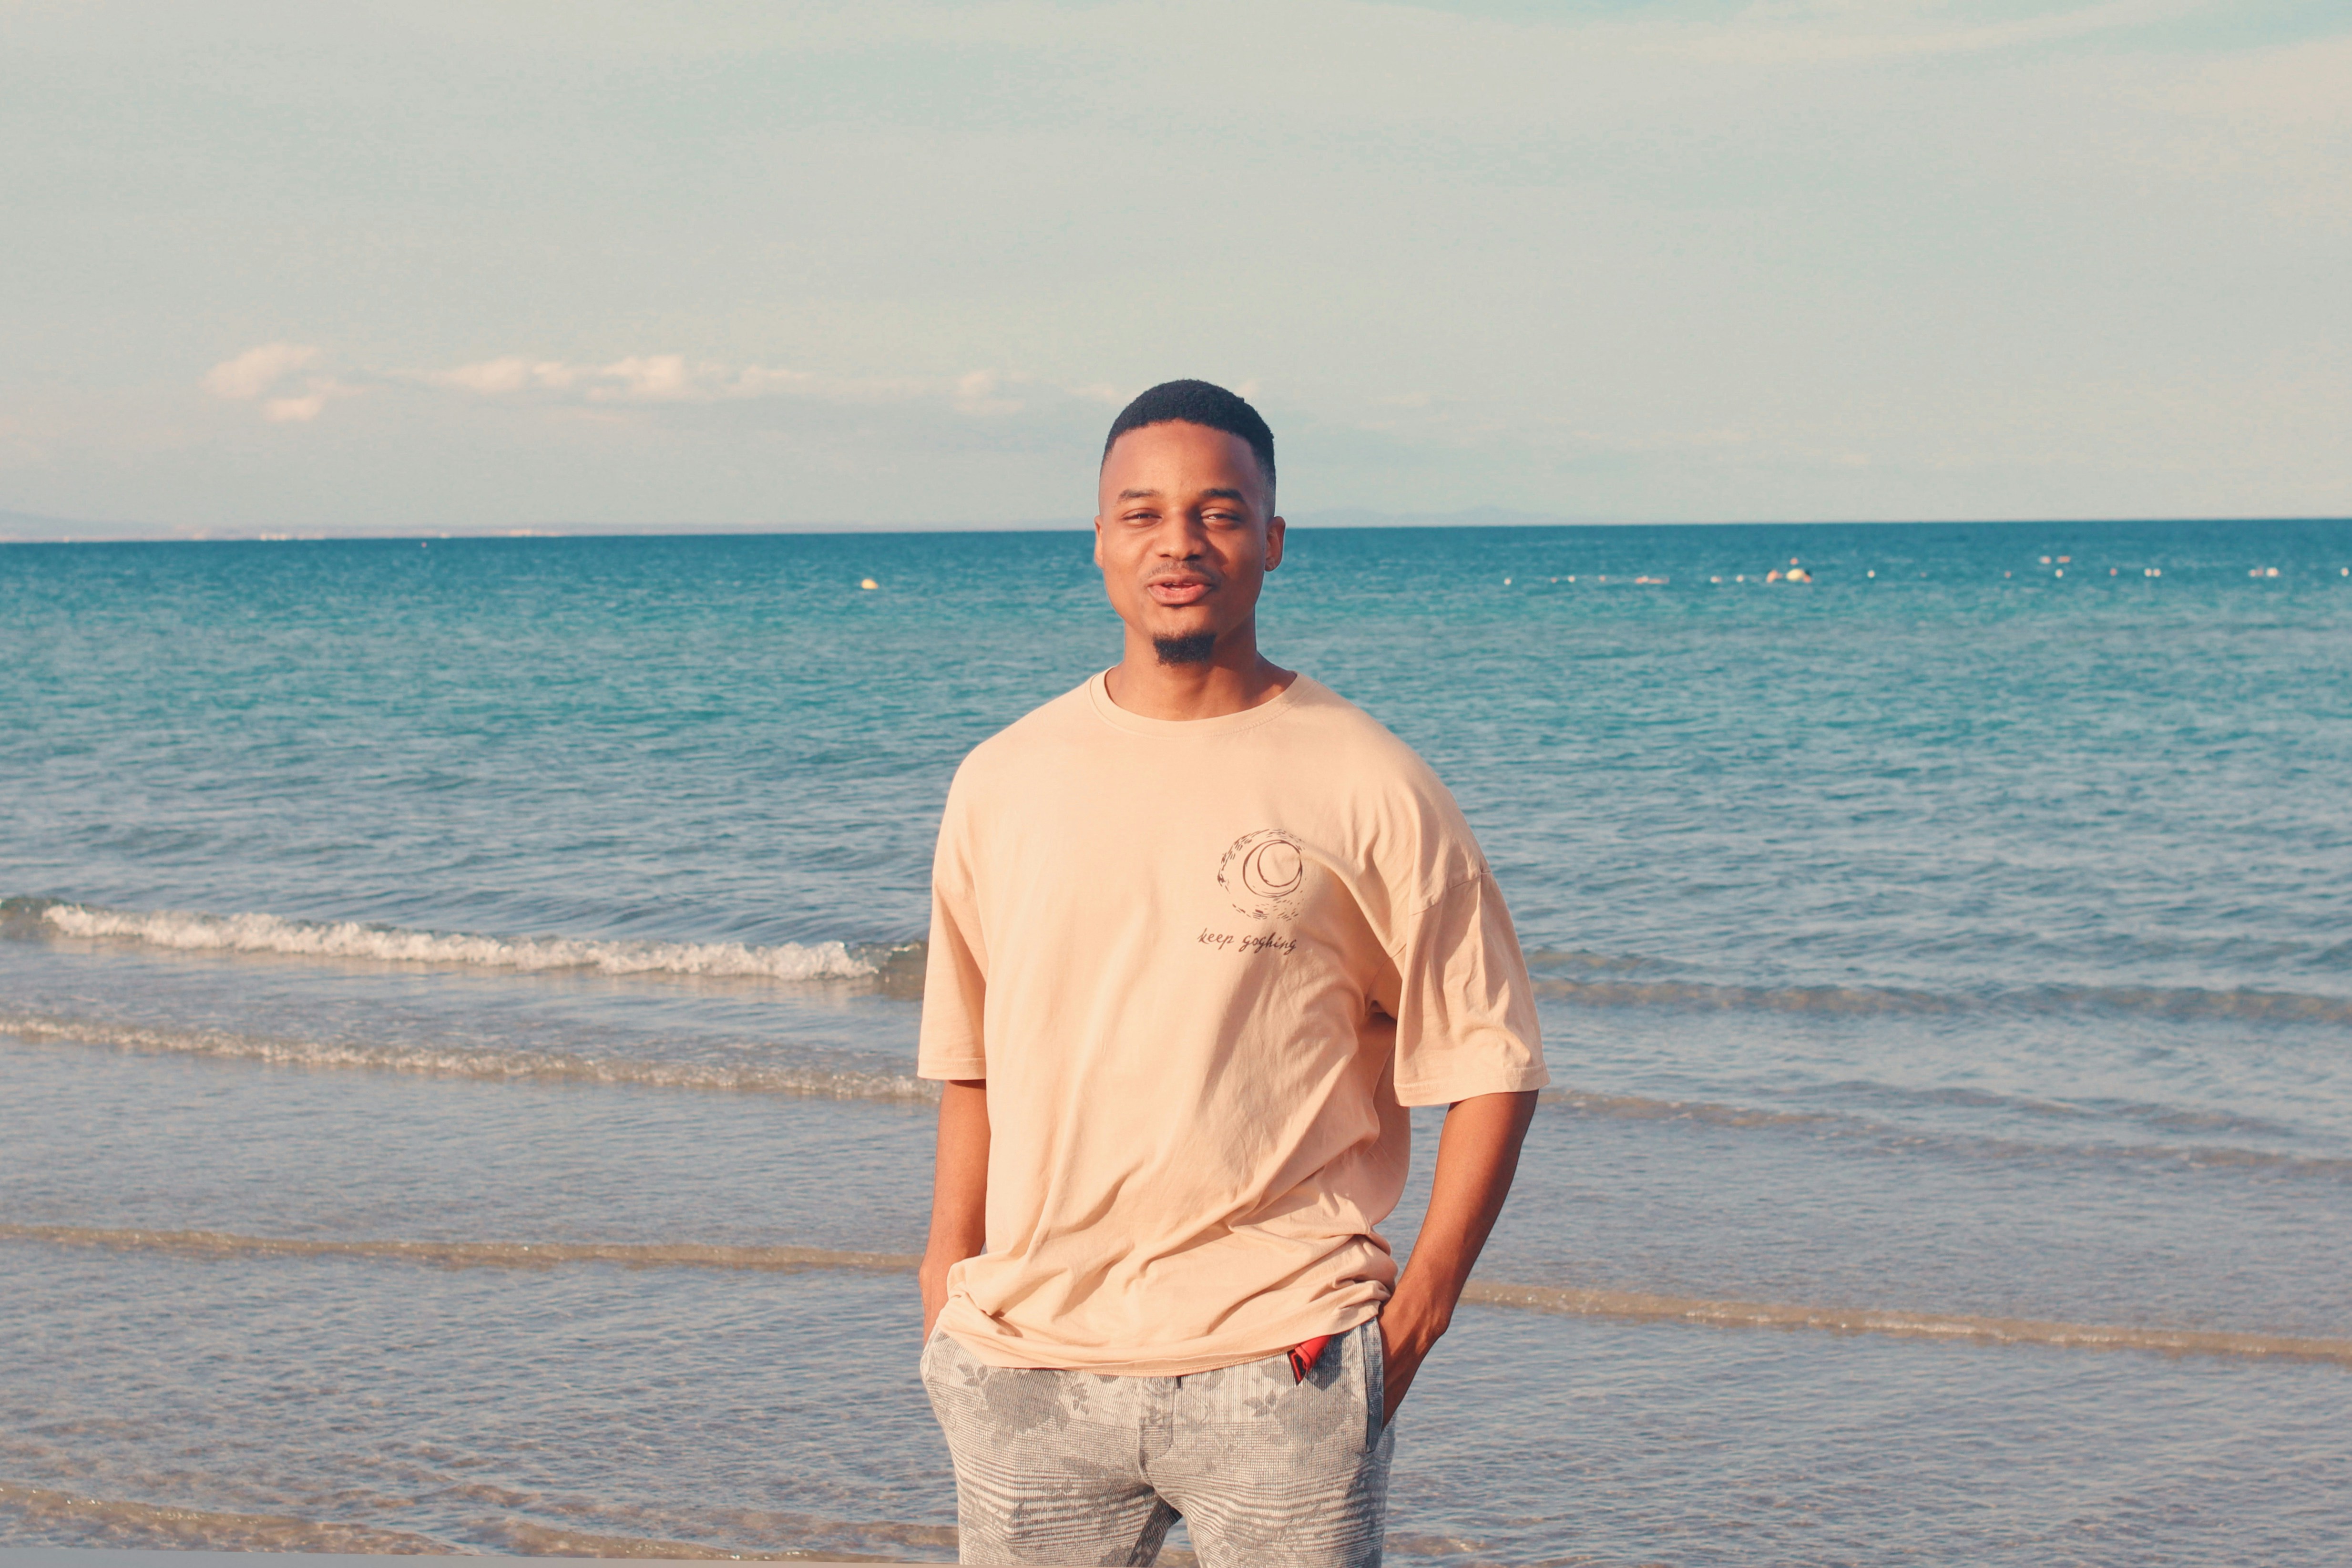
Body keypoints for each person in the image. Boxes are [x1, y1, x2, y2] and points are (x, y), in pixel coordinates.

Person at [916, 379, 1547, 1568]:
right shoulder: (1002, 779)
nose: (1180, 544)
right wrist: (946, 1290)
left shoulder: (1369, 780)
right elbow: (973, 1061)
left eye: (1218, 512)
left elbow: (1492, 1061)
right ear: (1099, 539)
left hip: (1282, 1365)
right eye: (1143, 513)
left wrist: (1411, 1325)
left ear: (1272, 539)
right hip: (1024, 1367)